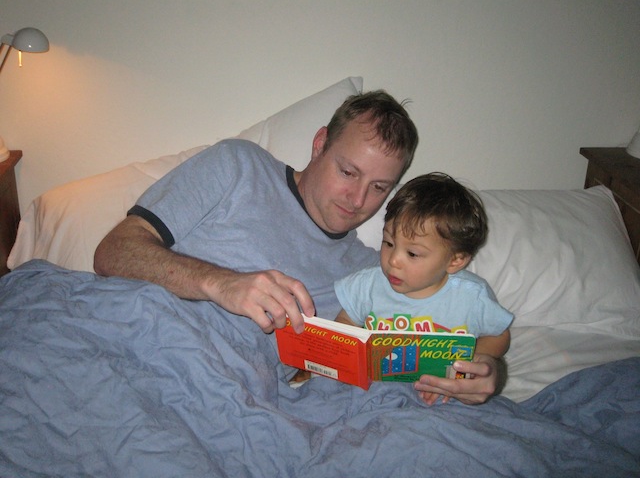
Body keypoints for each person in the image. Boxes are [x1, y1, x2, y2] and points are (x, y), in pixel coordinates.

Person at [94, 91, 503, 404]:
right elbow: (113, 252)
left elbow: (432, 348)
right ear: (320, 143)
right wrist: (221, 284)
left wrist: (489, 373)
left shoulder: (373, 277)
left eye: (379, 187)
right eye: (348, 172)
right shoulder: (239, 165)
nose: (358, 199)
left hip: (223, 393)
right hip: (126, 336)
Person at [330, 173, 513, 405]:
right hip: (374, 393)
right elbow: (344, 322)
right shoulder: (367, 284)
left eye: (413, 253)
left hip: (439, 398)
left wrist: (473, 359)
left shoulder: (471, 295)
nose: (393, 260)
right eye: (388, 243)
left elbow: (500, 335)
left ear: (455, 260)